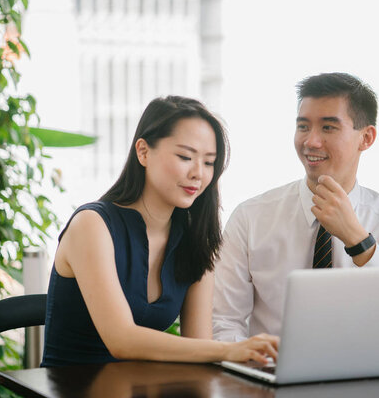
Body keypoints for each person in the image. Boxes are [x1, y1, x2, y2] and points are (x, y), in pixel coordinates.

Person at [41, 96, 278, 367]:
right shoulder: (91, 225)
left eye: (209, 162)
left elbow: (199, 347)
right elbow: (122, 340)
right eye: (185, 157)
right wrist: (228, 350)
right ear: (143, 151)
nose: (198, 173)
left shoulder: (195, 238)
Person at [213, 73, 379, 343]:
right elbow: (223, 321)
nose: (311, 141)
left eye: (328, 128)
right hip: (268, 376)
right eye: (303, 126)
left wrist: (360, 241)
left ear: (366, 138)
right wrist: (250, 372)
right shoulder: (250, 218)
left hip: (366, 377)